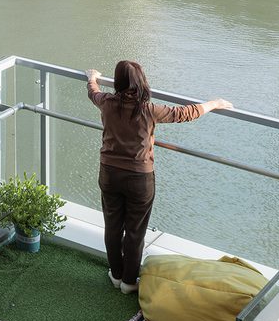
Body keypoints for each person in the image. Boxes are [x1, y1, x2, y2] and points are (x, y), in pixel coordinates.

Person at [85, 61, 231, 294]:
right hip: (139, 179)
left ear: (118, 82)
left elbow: (93, 93)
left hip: (109, 174)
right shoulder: (148, 110)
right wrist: (215, 103)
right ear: (141, 82)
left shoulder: (107, 103)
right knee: (135, 232)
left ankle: (116, 274)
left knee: (113, 227)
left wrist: (92, 77)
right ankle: (129, 282)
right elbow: (184, 113)